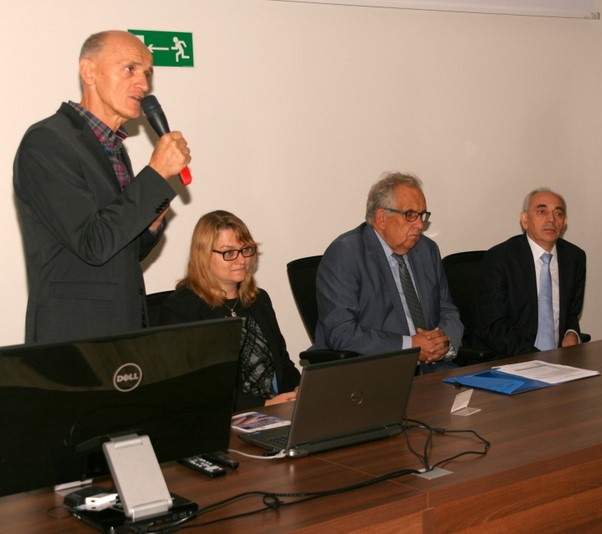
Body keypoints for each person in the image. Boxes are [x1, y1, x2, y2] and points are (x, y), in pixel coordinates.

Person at [13, 30, 191, 344]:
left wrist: (151, 224)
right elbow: (93, 244)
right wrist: (155, 174)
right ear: (89, 71)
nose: (143, 84)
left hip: (123, 329)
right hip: (74, 336)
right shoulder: (48, 141)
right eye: (130, 69)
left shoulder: (114, 148)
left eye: (147, 73)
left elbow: (121, 252)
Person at [313, 172, 464, 374]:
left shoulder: (427, 250)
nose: (420, 225)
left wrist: (443, 344)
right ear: (382, 217)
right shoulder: (346, 253)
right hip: (374, 372)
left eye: (422, 215)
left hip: (433, 368)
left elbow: (447, 310)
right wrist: (410, 346)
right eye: (410, 215)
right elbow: (341, 332)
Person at [158, 210, 300, 411]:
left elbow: (283, 363)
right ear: (204, 255)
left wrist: (299, 390)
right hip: (220, 417)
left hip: (273, 411)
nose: (241, 260)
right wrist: (264, 405)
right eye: (229, 253)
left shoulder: (259, 299)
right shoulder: (182, 309)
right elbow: (193, 387)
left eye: (246, 249)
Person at [476, 188, 586, 358]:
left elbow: (571, 313)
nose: (551, 219)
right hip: (512, 358)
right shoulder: (500, 259)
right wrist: (538, 358)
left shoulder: (574, 257)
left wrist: (572, 333)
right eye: (542, 212)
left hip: (560, 359)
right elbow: (493, 327)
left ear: (565, 221)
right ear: (525, 220)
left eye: (558, 213)